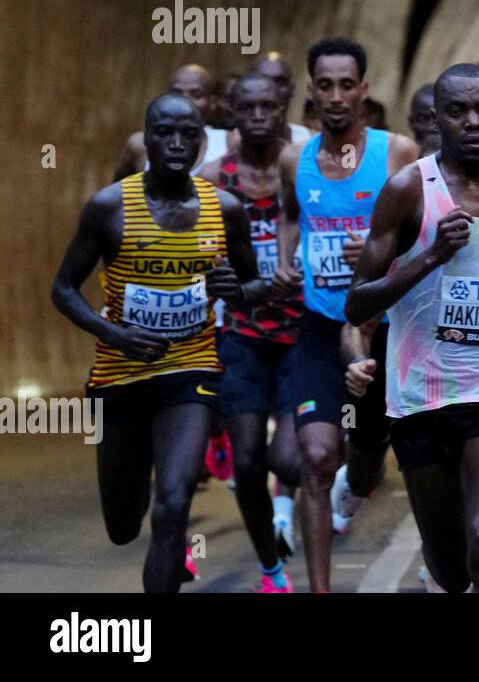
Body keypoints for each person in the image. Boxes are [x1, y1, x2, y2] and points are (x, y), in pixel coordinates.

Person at [343, 63, 479, 592]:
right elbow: (356, 305)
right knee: (451, 568)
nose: (473, 122)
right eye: (458, 111)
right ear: (436, 119)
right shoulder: (408, 191)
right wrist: (430, 256)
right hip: (421, 397)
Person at [52, 92, 264, 592]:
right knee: (125, 524)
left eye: (188, 134)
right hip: (120, 376)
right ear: (146, 139)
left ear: (200, 142)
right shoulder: (109, 208)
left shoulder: (226, 209)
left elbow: (251, 290)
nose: (176, 143)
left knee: (173, 505)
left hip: (189, 373)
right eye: (164, 132)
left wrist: (238, 291)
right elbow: (63, 288)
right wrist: (112, 333)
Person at [272, 37, 420, 591]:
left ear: (363, 90)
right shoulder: (296, 159)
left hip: (385, 331)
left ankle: (360, 479)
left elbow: (422, 232)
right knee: (314, 457)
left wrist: (383, 251)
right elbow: (292, 214)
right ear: (310, 93)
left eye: (346, 85)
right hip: (320, 326)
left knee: (364, 462)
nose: (336, 96)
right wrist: (288, 260)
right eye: (324, 86)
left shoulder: (397, 153)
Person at [196, 73, 303, 592]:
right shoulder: (214, 179)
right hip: (242, 332)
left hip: (304, 331)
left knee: (287, 458)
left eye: (268, 105)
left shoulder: (307, 165)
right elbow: (197, 255)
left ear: (284, 106)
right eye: (247, 107)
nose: (258, 115)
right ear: (231, 114)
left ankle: (299, 497)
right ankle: (270, 566)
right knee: (246, 460)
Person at [113, 64, 232, 179]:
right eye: (176, 93)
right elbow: (114, 194)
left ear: (212, 102)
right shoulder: (139, 145)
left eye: (196, 94)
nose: (184, 100)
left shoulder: (229, 143)